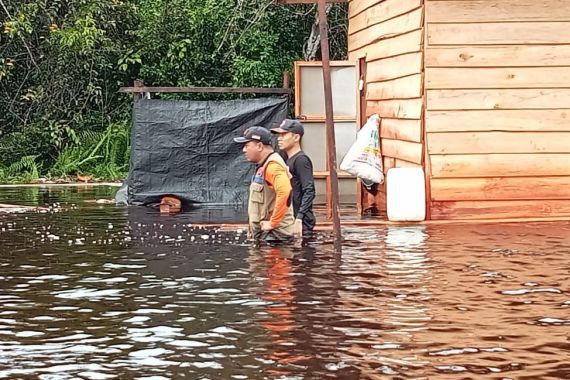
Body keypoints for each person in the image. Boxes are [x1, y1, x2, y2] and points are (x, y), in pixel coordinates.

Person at [234, 126, 296, 243]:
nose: (243, 150)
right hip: (267, 236)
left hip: (275, 237)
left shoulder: (273, 166)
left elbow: (285, 192)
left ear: (259, 146)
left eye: (247, 146)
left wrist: (273, 223)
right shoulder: (264, 165)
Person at [270, 119, 316, 237]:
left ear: (296, 137)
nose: (279, 138)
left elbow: (309, 190)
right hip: (290, 219)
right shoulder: (286, 159)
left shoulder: (301, 160)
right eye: (279, 135)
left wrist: (299, 217)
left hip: (300, 223)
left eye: (284, 134)